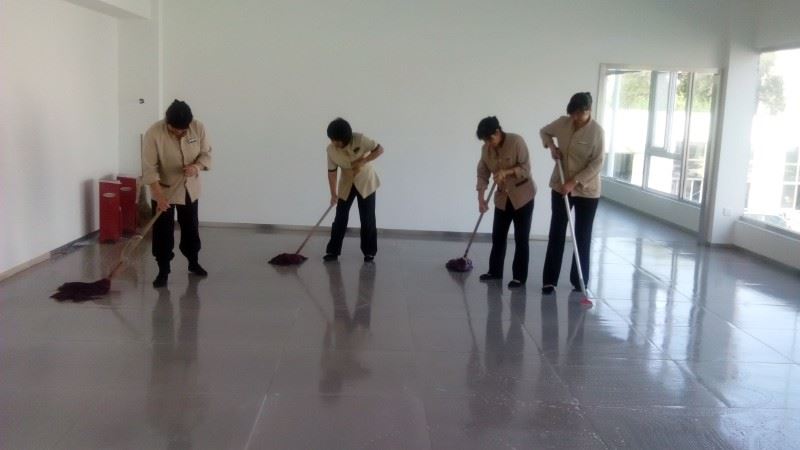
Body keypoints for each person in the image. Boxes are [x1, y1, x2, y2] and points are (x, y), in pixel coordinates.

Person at [142, 100, 212, 288]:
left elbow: (206, 154)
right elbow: (149, 169)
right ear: (167, 122)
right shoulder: (154, 133)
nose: (179, 133)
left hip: (189, 188)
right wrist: (159, 196)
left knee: (190, 227)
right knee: (162, 232)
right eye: (174, 130)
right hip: (163, 189)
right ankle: (163, 270)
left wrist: (196, 167)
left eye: (183, 130)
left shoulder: (198, 128)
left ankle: (193, 261)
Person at [540, 92, 604, 294]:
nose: (575, 118)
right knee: (557, 232)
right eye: (572, 114)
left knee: (582, 235)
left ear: (588, 110)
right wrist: (552, 147)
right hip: (560, 185)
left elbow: (597, 163)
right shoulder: (563, 123)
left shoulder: (597, 132)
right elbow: (544, 132)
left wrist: (574, 181)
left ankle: (580, 281)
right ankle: (549, 281)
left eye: (579, 114)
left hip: (587, 191)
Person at [476, 116, 536, 288]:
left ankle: (519, 277)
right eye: (485, 140)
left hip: (523, 196)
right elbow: (482, 173)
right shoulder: (486, 149)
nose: (488, 143)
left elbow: (526, 169)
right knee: (498, 236)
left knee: (521, 238)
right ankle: (495, 271)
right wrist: (481, 198)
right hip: (502, 198)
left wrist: (507, 172)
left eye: (490, 139)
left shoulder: (516, 141)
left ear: (497, 132)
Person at [323, 118, 384, 262]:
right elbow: (332, 172)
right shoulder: (331, 150)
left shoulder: (360, 140)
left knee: (367, 218)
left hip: (365, 181)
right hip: (347, 183)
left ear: (345, 138)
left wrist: (363, 161)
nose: (333, 142)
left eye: (336, 140)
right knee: (340, 217)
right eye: (331, 139)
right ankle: (333, 251)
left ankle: (369, 252)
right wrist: (333, 194)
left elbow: (379, 149)